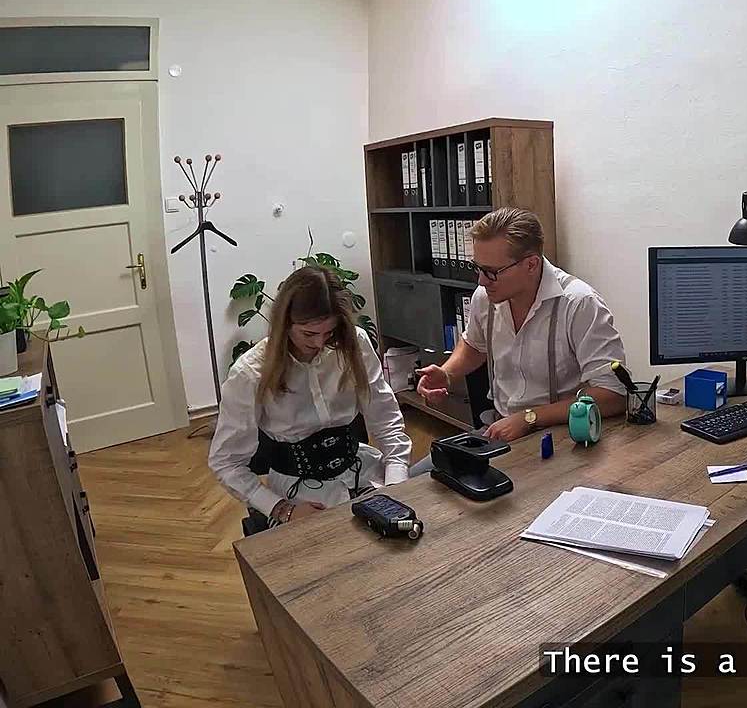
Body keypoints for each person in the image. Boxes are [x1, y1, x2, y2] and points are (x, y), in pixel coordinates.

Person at [209, 265, 411, 525]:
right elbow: (226, 462)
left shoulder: (353, 343)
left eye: (329, 332)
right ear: (285, 324)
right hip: (298, 496)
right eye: (309, 333)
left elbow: (386, 419)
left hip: (365, 473)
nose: (319, 343)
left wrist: (395, 481)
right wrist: (281, 509)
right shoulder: (250, 373)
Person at [415, 207, 627, 443]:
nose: (481, 280)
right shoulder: (485, 297)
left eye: (492, 272)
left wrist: (529, 418)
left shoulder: (579, 303)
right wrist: (447, 373)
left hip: (563, 433)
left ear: (531, 264)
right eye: (478, 267)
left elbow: (613, 394)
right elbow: (474, 344)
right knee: (433, 464)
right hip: (500, 427)